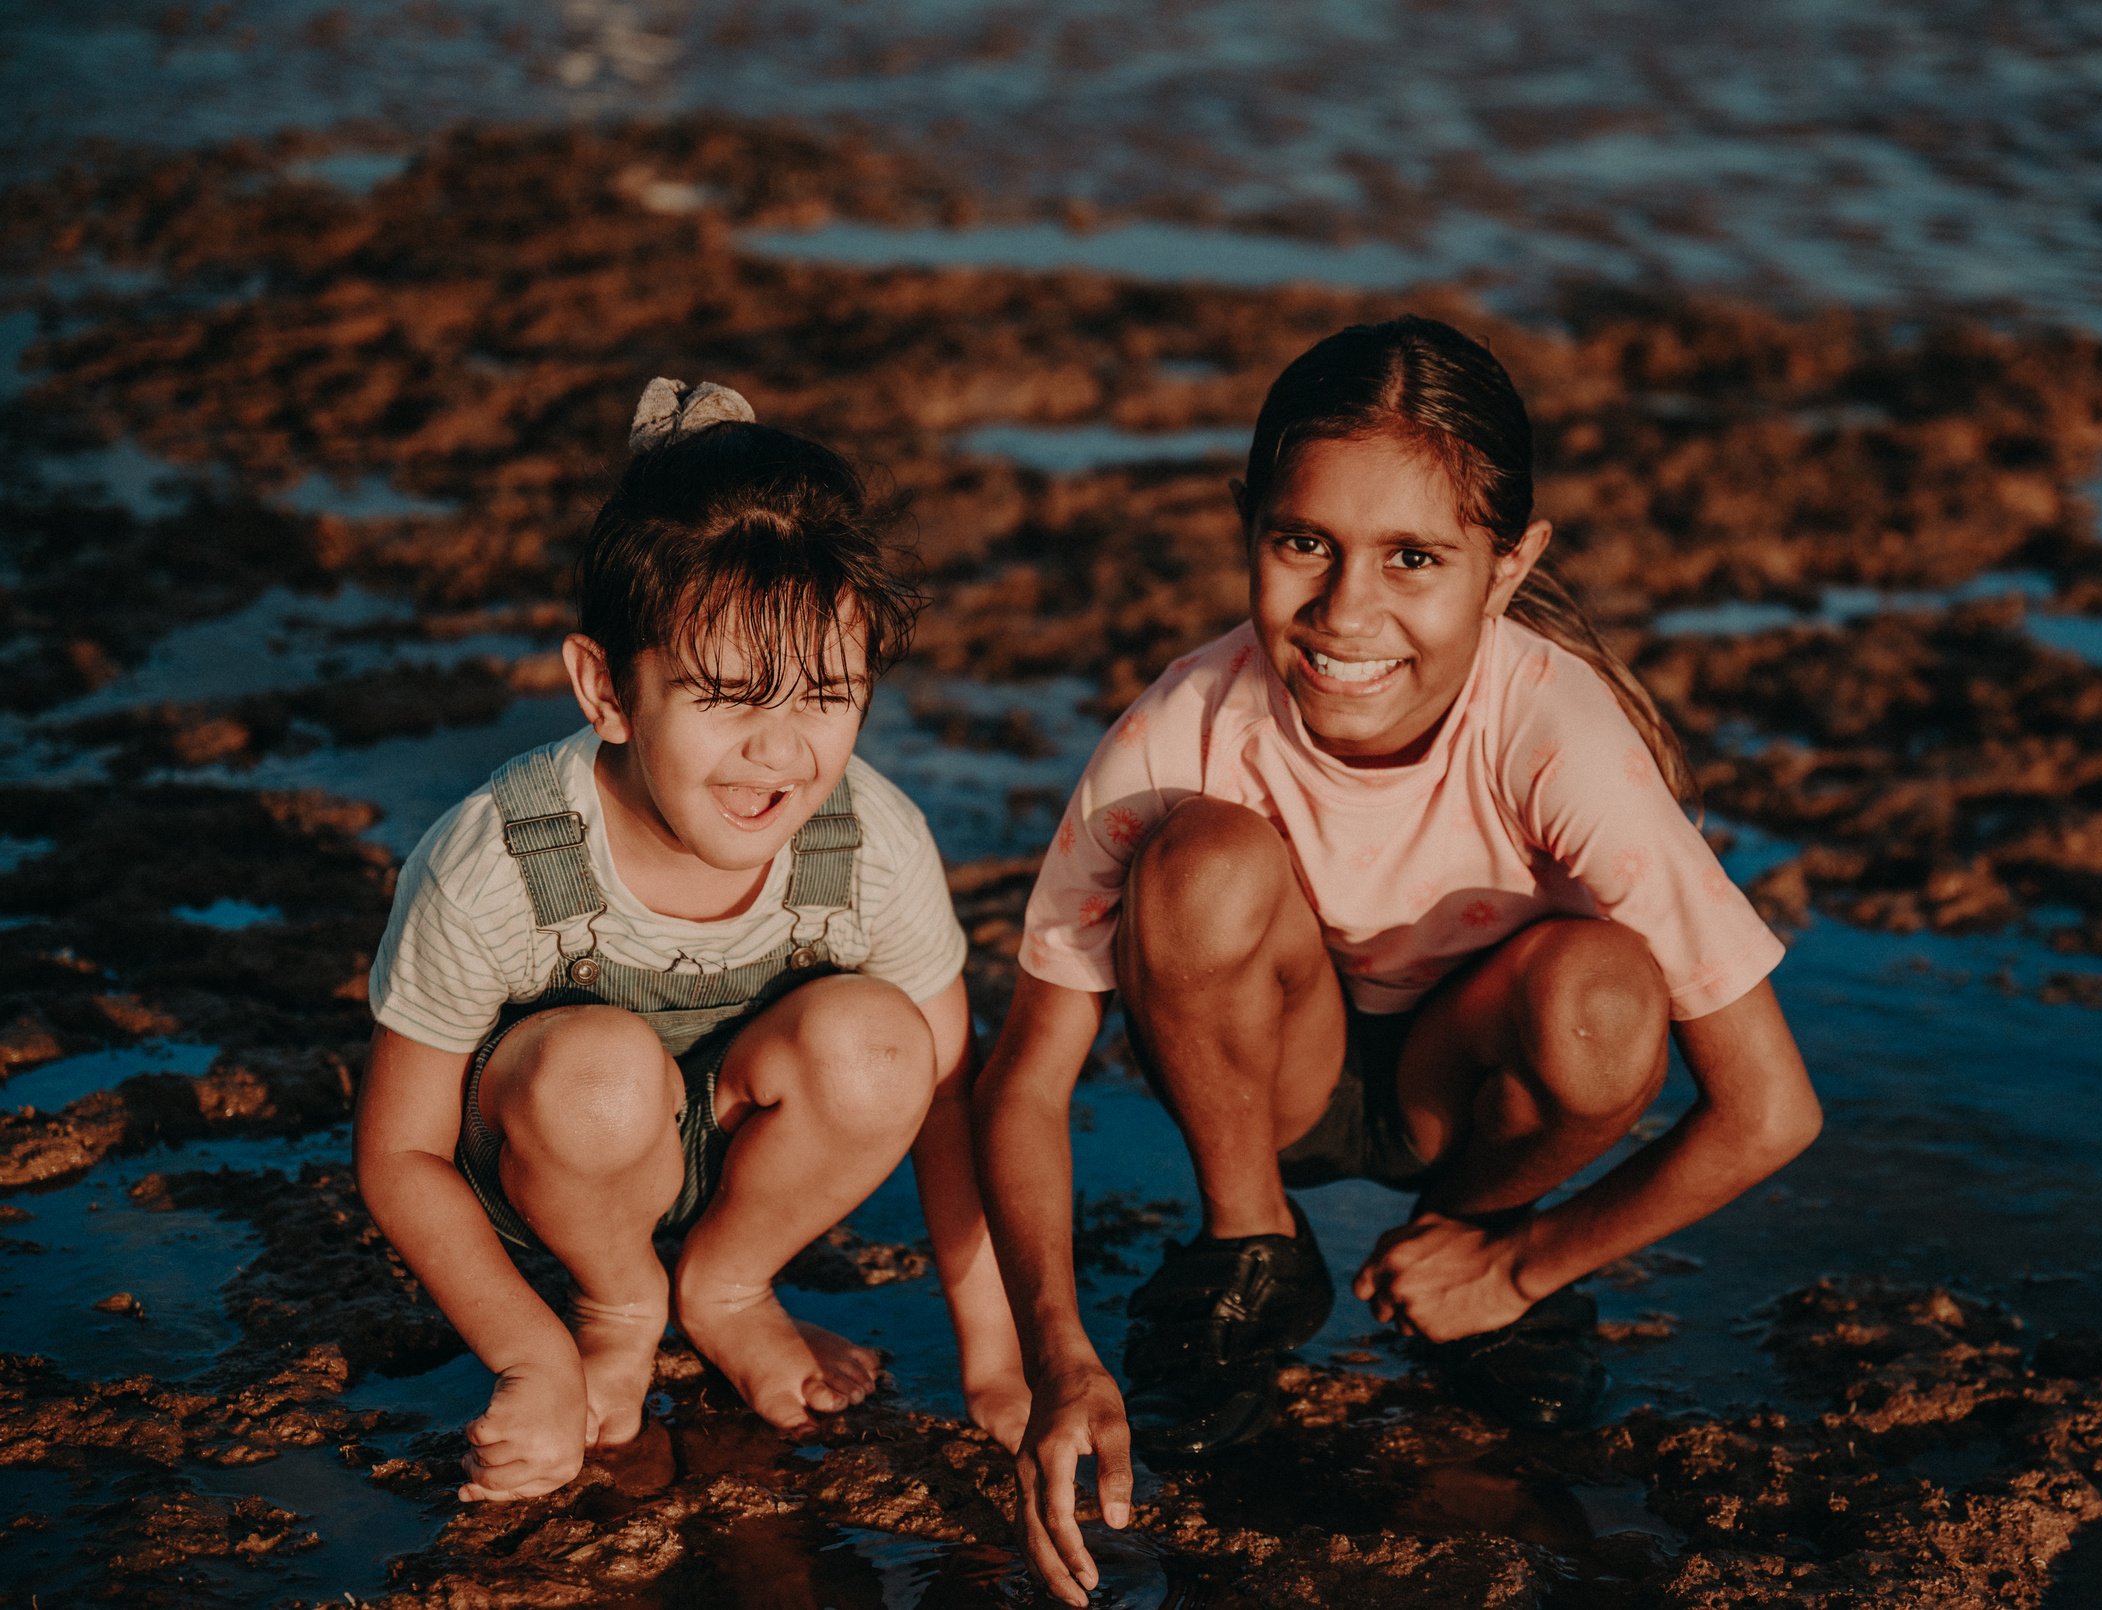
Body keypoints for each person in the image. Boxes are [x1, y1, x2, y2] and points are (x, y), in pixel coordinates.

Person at [974, 316, 1822, 1603]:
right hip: (1267, 1082)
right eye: (1301, 541)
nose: (1344, 609)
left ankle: (1465, 1241)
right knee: (1198, 861)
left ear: (1507, 562)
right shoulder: (1183, 725)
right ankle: (1250, 1244)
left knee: (1602, 990)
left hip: (1471, 1103)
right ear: (1243, 522)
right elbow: (1029, 1076)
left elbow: (1768, 1108)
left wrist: (1520, 1267)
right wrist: (1054, 1355)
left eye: (1413, 557)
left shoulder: (1557, 736)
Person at [356, 378, 1026, 1503]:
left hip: (737, 1164)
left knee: (883, 1041)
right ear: (607, 687)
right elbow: (399, 1151)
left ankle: (727, 1287)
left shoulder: (873, 842)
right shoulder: (497, 857)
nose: (778, 752)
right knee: (598, 1074)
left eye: (825, 693)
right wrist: (528, 1357)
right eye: (723, 694)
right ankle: (616, 1307)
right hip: (546, 1176)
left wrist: (999, 1358)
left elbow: (948, 1100)